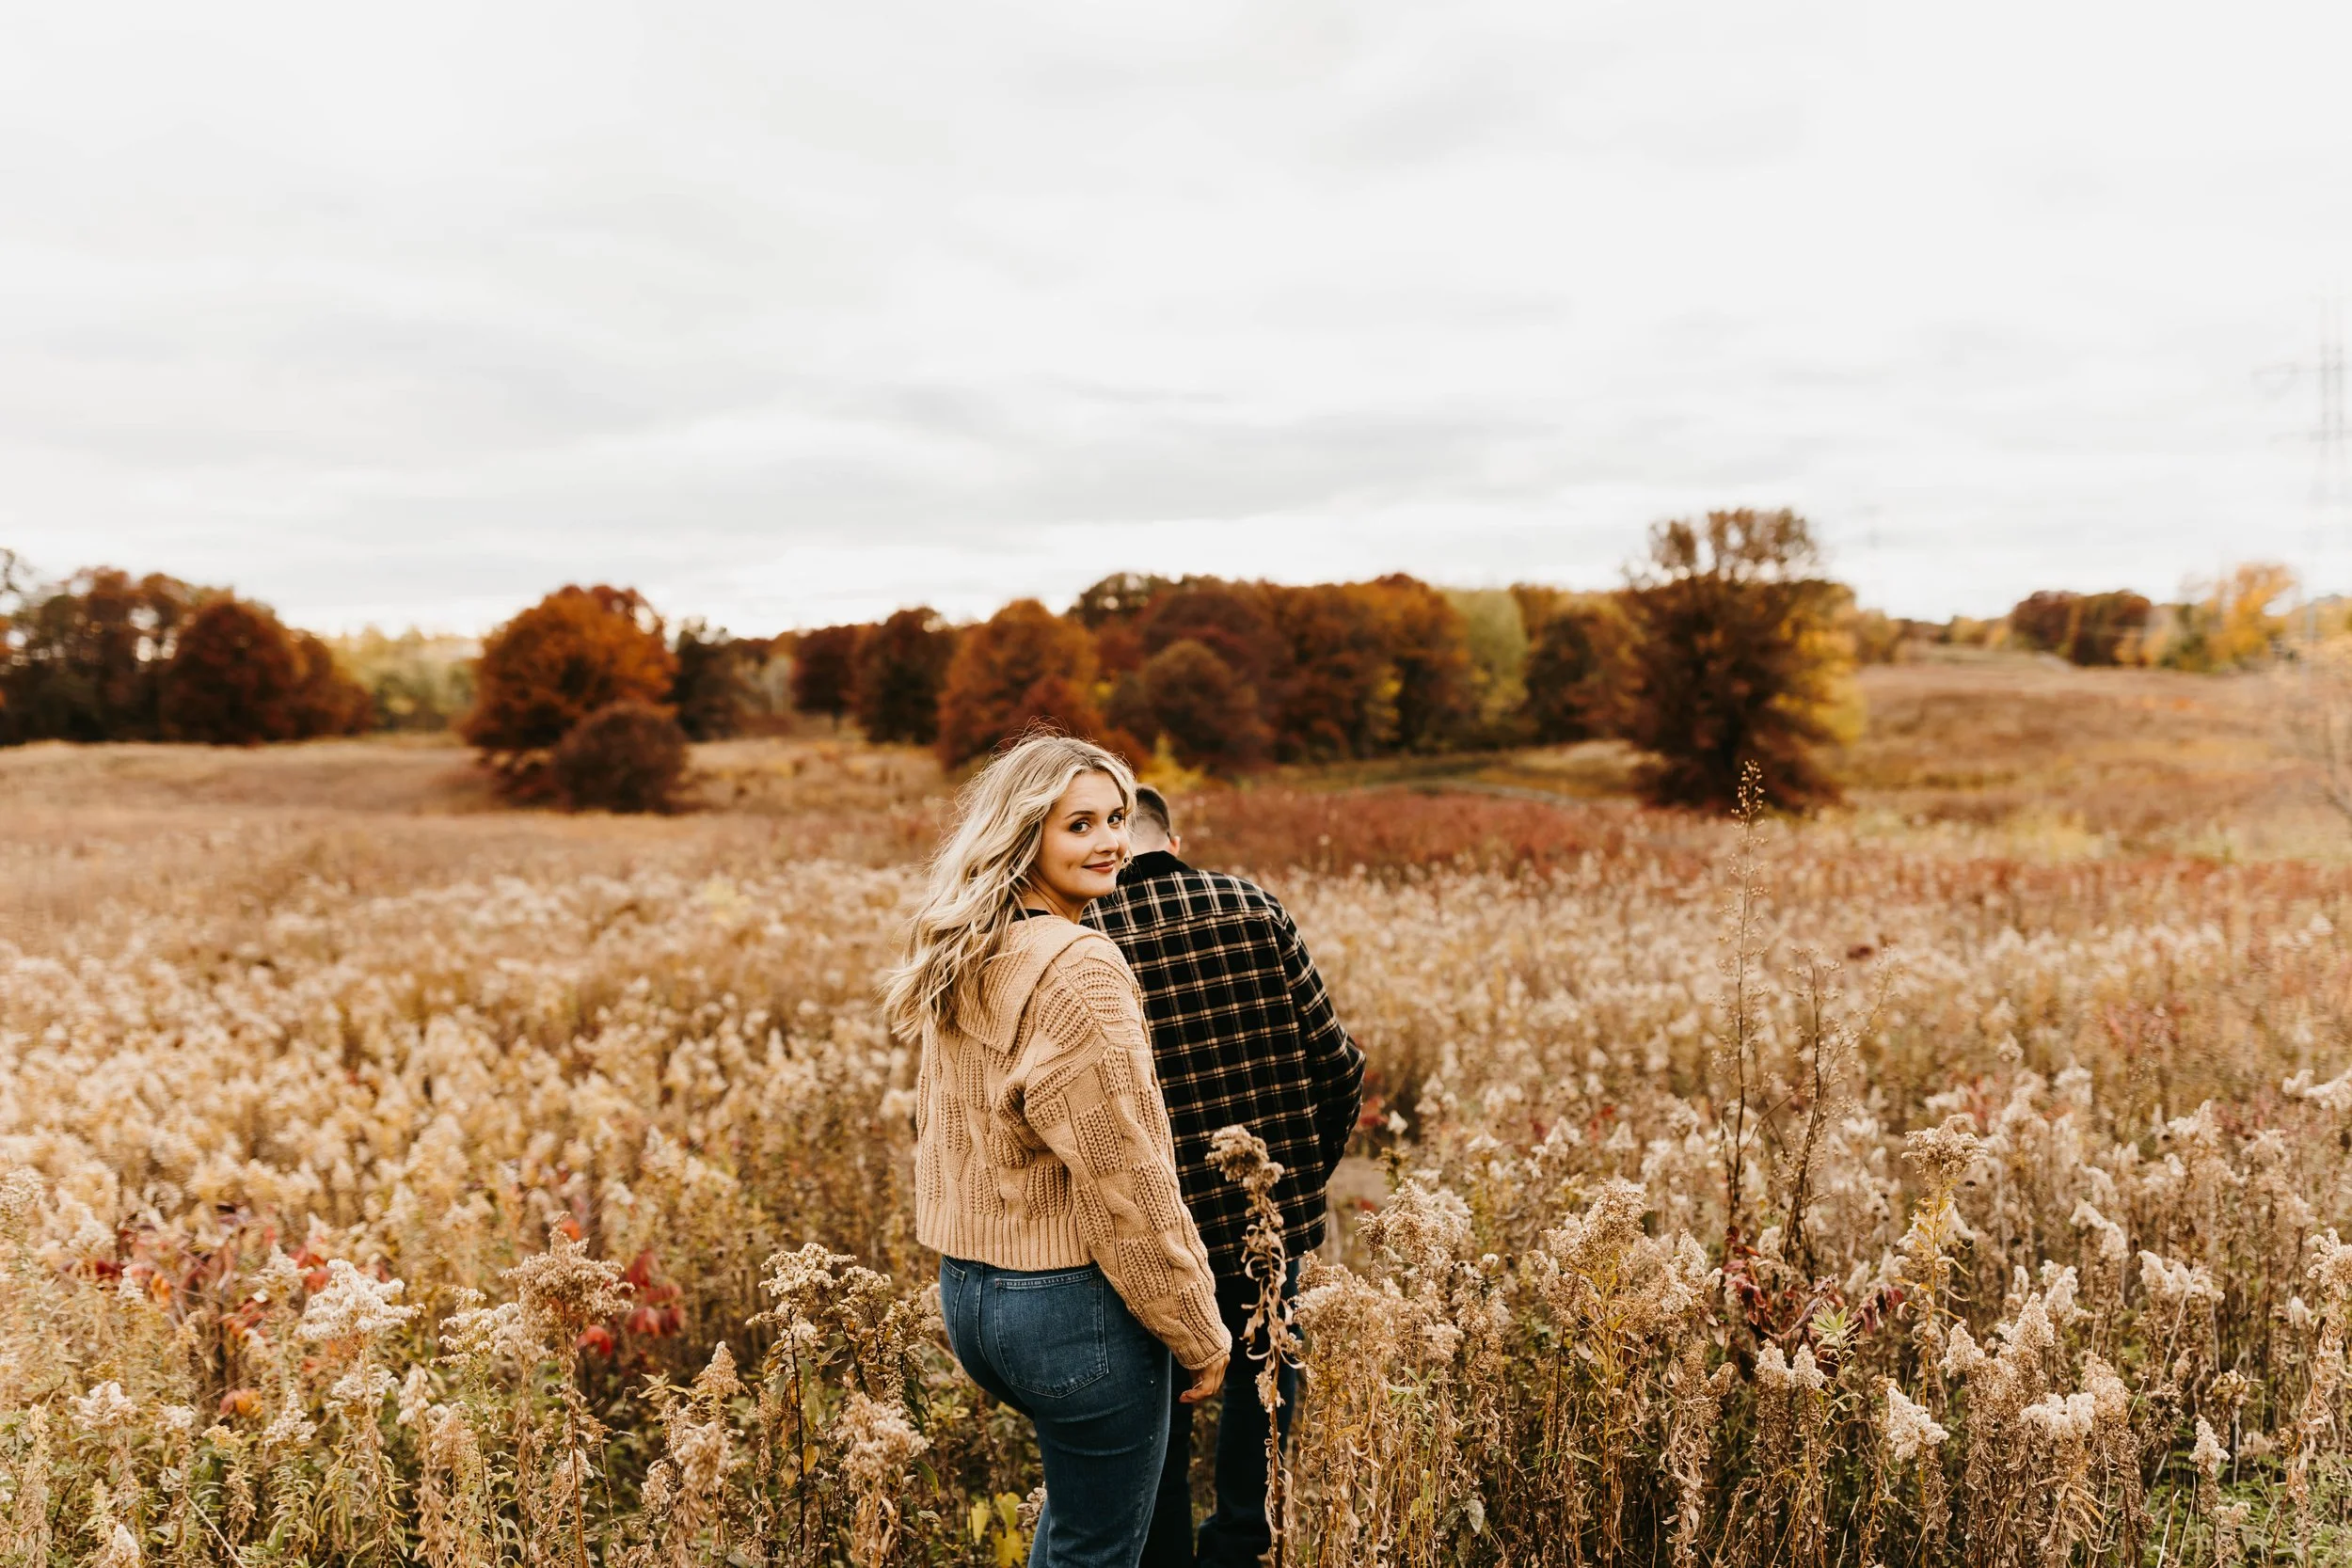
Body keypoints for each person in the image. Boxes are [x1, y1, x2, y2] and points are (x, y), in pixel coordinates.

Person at [885, 735, 1232, 1568]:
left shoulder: (968, 944)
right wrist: (1199, 1328)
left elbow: (935, 1124)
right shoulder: (1079, 968)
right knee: (1102, 1547)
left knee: (1079, 1529)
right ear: (1024, 832)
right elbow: (1128, 1172)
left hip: (970, 1294)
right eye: (1080, 824)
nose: (1111, 840)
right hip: (1070, 1308)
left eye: (1117, 817)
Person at [1086, 785, 1366, 1568]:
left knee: (1156, 1402)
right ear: (1170, 841)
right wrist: (1296, 1184)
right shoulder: (1254, 906)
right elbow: (1340, 1065)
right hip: (1263, 1215)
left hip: (1146, 1228)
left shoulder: (1078, 936)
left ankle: (1166, 1553)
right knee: (1264, 1376)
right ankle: (1241, 1543)